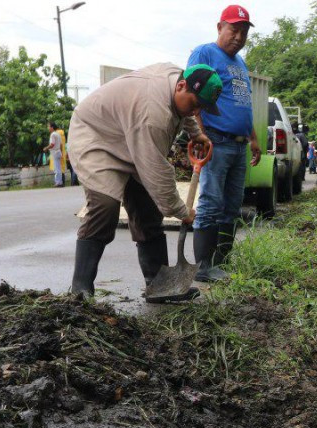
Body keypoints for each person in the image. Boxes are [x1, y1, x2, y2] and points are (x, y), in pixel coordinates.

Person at [66, 63, 222, 298]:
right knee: (105, 207)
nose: (196, 112)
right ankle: (80, 290)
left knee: (148, 209)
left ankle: (159, 286)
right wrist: (182, 211)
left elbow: (184, 110)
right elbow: (157, 174)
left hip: (129, 130)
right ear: (181, 86)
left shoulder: (178, 78)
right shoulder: (153, 117)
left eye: (201, 107)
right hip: (96, 135)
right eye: (195, 104)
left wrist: (195, 132)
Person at [187, 4, 261, 282]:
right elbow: (193, 96)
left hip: (239, 144)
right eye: (233, 30)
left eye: (243, 32)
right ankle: (203, 267)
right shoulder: (205, 53)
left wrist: (252, 138)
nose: (239, 37)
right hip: (215, 141)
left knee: (231, 206)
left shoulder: (241, 64)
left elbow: (242, 104)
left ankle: (221, 263)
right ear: (220, 27)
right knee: (211, 203)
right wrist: (200, 135)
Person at [44, 122, 64, 187]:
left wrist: (46, 148)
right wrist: (61, 152)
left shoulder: (52, 134)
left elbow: (52, 144)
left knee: (56, 168)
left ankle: (58, 182)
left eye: (49, 126)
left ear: (52, 127)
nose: (48, 128)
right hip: (58, 152)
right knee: (59, 168)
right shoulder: (58, 134)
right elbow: (61, 145)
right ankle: (60, 182)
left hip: (55, 152)